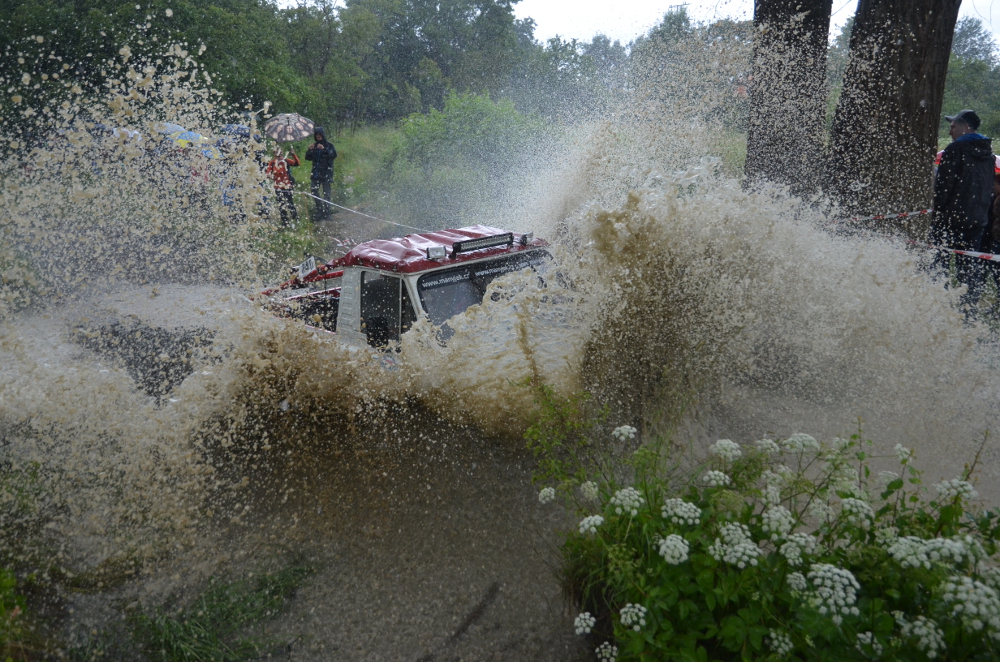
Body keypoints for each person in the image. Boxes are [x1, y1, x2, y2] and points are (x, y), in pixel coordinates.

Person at [929, 109, 995, 311]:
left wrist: (937, 211)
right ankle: (968, 311)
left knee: (938, 264)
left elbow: (943, 187)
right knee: (969, 267)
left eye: (953, 127)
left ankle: (936, 306)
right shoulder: (988, 154)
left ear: (966, 127)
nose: (950, 131)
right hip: (978, 220)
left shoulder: (955, 150)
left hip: (951, 218)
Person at [305, 127, 337, 220]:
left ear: (323, 135)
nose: (318, 136)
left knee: (326, 193)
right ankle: (319, 210)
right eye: (316, 135)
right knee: (314, 191)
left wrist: (324, 149)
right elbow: (307, 158)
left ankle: (327, 212)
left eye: (320, 135)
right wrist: (310, 150)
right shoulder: (314, 146)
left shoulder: (329, 145)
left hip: (326, 172)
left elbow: (333, 155)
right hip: (316, 173)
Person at [265, 146, 301, 228]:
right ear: (274, 154)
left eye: (281, 152)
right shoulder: (272, 163)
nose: (280, 154)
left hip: (287, 185)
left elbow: (297, 163)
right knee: (281, 204)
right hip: (277, 186)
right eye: (277, 152)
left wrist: (293, 154)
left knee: (290, 202)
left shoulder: (286, 161)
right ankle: (284, 221)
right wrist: (269, 175)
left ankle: (295, 218)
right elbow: (268, 172)